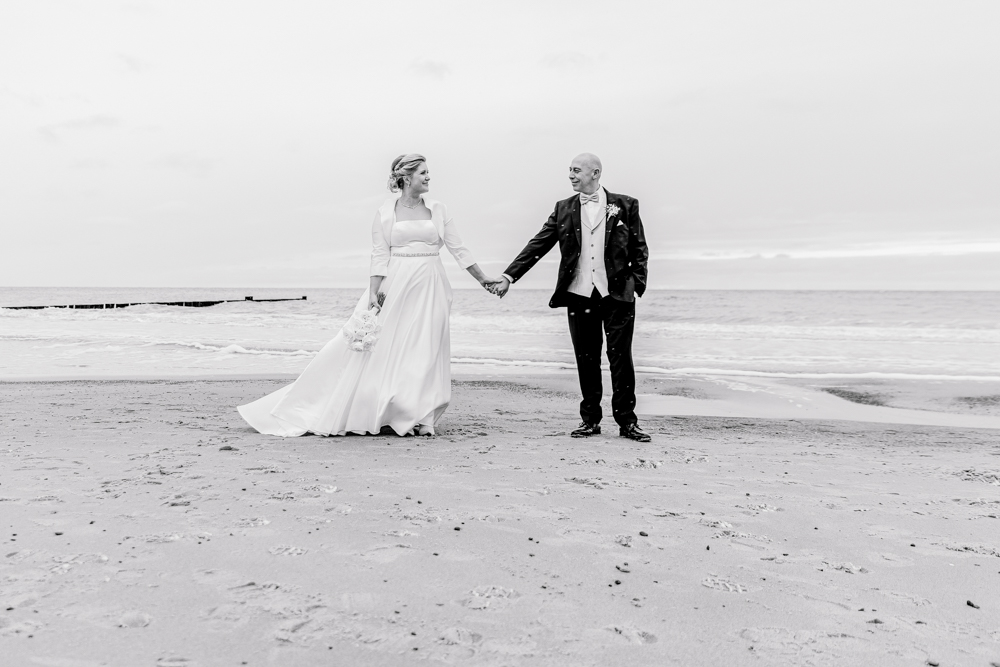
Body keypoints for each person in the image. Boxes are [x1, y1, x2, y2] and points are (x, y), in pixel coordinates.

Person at [238, 154, 499, 437]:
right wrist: (374, 293)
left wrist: (483, 279)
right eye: (423, 172)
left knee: (427, 347)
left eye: (428, 172)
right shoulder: (386, 213)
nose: (428, 177)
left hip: (432, 284)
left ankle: (423, 417)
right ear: (406, 177)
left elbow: (458, 248)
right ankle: (388, 409)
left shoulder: (438, 209)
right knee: (389, 347)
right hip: (396, 284)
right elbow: (379, 254)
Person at [490, 153, 651, 442]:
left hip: (618, 295)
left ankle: (627, 422)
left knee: (620, 358)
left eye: (576, 171)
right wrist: (509, 276)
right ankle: (590, 420)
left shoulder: (626, 205)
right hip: (579, 294)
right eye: (570, 171)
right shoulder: (563, 208)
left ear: (595, 173)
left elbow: (640, 248)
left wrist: (636, 284)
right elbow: (538, 243)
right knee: (586, 359)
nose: (571, 176)